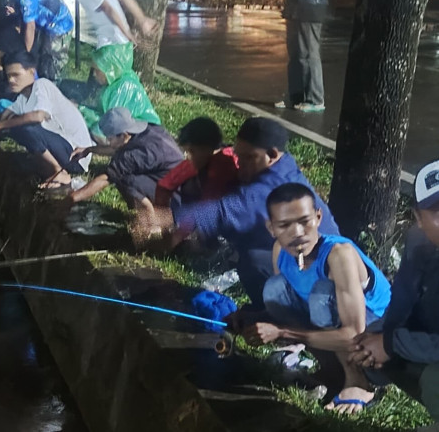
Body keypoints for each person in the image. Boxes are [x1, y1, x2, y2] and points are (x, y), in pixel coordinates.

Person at [138, 117, 339, 308]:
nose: (239, 163)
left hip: (323, 278)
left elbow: (223, 211)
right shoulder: (284, 167)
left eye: (248, 157)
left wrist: (167, 218)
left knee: (253, 260)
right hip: (311, 260)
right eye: (238, 155)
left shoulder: (271, 189)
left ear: (272, 155)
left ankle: (283, 317)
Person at [239, 183, 391, 414]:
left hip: (377, 337)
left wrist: (281, 332)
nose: (298, 233)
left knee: (321, 295)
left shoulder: (339, 255)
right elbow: (293, 306)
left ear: (318, 218)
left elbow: (354, 334)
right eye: (285, 225)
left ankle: (359, 381)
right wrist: (250, 320)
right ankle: (332, 369)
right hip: (336, 326)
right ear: (272, 228)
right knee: (275, 289)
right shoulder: (281, 250)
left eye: (304, 221)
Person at [348, 159, 439, 425]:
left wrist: (391, 343)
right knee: (366, 335)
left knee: (434, 379)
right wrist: (381, 337)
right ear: (418, 218)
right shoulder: (418, 243)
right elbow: (403, 301)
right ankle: (359, 384)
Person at [0, 51, 93, 188]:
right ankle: (49, 167)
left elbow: (37, 116)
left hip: (76, 156)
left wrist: (1, 126)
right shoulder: (23, 98)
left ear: (31, 72)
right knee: (16, 124)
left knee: (24, 126)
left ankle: (59, 173)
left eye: (16, 75)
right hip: (62, 149)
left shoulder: (42, 85)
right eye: (8, 76)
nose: (11, 80)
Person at [67, 107, 183, 212]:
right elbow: (116, 149)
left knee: (123, 179)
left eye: (109, 139)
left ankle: (151, 219)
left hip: (178, 197)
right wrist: (89, 150)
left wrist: (70, 199)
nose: (108, 142)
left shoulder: (135, 154)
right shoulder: (150, 131)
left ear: (123, 135)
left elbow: (105, 179)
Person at [0, 0, 74, 82]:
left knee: (51, 62)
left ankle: (52, 88)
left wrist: (25, 56)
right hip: (44, 23)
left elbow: (30, 26)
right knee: (41, 57)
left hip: (59, 25)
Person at [79, 44, 161, 141]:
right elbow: (103, 113)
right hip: (130, 129)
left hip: (145, 134)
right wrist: (80, 109)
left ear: (110, 70)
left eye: (97, 70)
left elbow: (111, 122)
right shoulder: (113, 84)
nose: (94, 74)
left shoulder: (124, 86)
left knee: (96, 131)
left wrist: (83, 113)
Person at [155, 117, 239, 207]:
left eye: (191, 151)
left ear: (207, 148)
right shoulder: (196, 162)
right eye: (186, 152)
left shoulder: (224, 167)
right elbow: (164, 187)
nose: (187, 157)